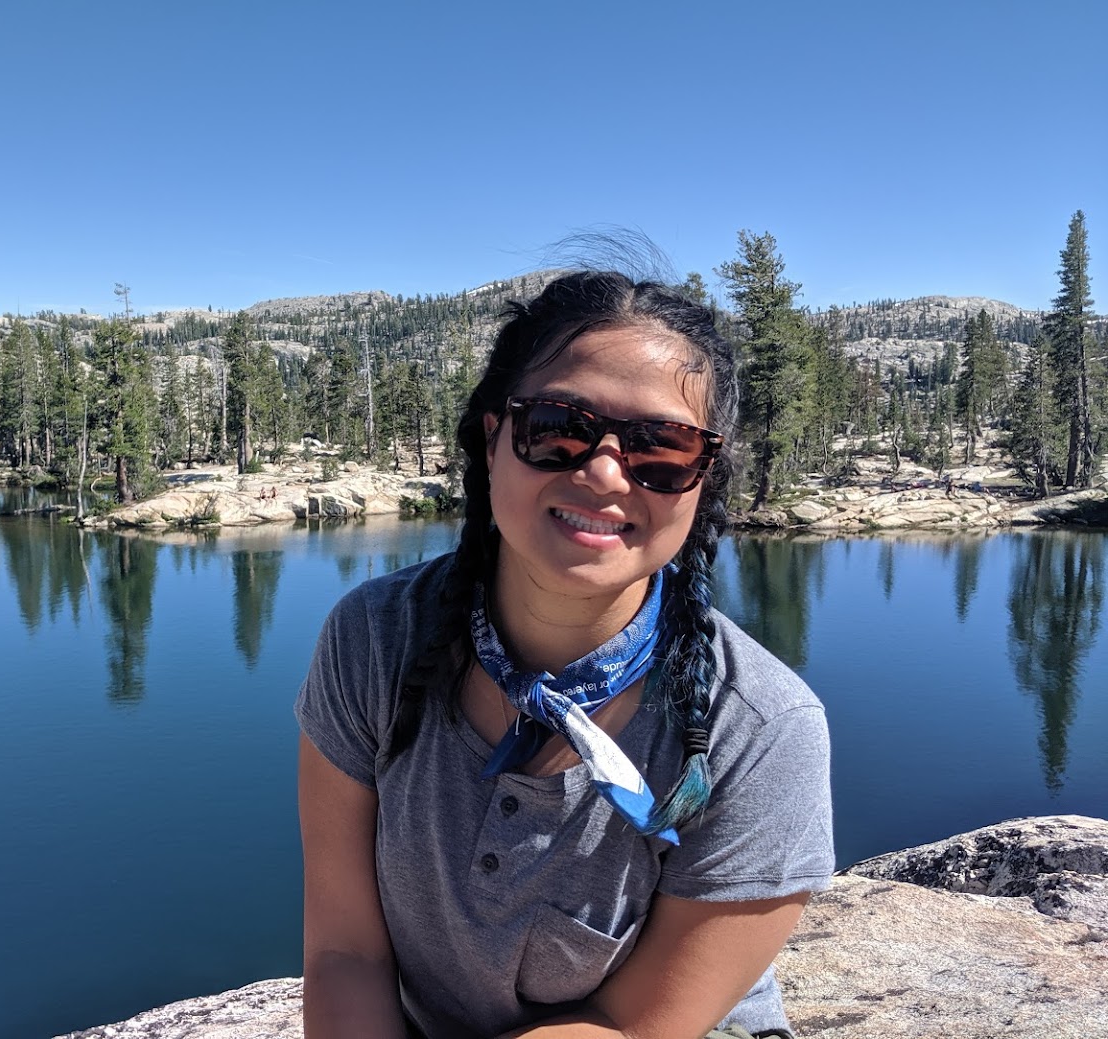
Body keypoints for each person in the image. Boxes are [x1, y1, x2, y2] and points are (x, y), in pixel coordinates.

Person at [295, 258, 834, 1039]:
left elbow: (630, 1025)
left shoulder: (759, 728)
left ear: (702, 480)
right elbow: (346, 952)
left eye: (662, 446)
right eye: (557, 427)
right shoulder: (374, 639)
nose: (605, 472)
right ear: (493, 439)